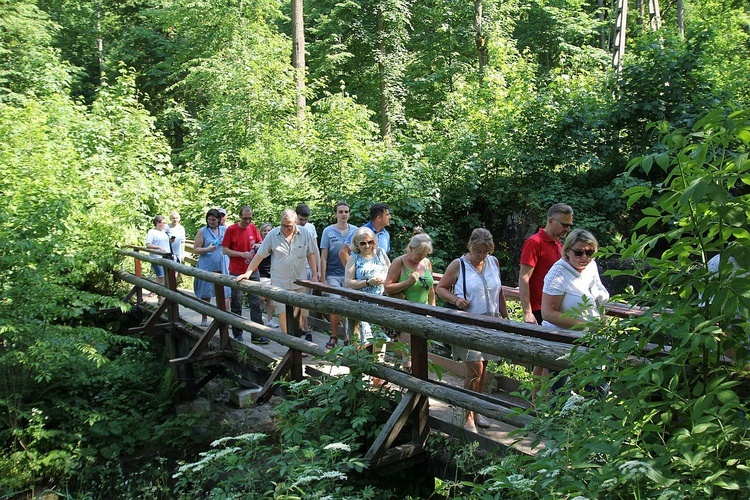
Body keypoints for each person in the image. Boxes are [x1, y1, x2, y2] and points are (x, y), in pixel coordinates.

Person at [436, 228, 509, 432]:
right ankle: (467, 414)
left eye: (485, 251)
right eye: (478, 251)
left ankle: (477, 410)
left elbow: (499, 291)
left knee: (484, 370)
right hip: (467, 325)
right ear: (470, 246)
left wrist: (506, 319)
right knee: (475, 368)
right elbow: (440, 288)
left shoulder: (493, 263)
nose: (482, 256)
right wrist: (456, 299)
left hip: (491, 325)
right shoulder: (458, 264)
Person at [518, 203, 574, 397]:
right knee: (543, 357)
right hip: (539, 308)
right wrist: (527, 311)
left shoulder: (560, 245)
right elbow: (524, 277)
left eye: (569, 226)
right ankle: (537, 402)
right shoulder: (535, 242)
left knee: (549, 359)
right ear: (551, 221)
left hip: (554, 307)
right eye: (564, 224)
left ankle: (542, 401)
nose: (567, 229)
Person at [238, 209, 319, 337]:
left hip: (299, 282)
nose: (286, 228)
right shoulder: (273, 235)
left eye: (289, 226)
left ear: (296, 223)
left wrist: (315, 275)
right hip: (280, 283)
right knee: (283, 313)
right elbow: (259, 255)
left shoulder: (305, 234)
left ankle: (297, 346)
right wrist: (247, 273)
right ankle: (290, 345)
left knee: (297, 315)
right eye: (283, 225)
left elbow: (311, 254)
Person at [384, 233, 436, 369]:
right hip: (404, 314)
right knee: (409, 353)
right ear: (410, 248)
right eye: (419, 253)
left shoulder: (426, 263)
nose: (421, 257)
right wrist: (408, 282)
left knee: (421, 351)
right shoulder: (399, 262)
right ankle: (409, 383)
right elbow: (388, 288)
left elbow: (430, 289)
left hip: (424, 314)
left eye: (425, 254)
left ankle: (417, 385)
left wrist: (433, 309)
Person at [541, 228, 609, 329]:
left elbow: (597, 299)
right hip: (561, 336)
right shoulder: (558, 273)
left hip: (592, 335)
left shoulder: (591, 265)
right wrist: (586, 326)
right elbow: (547, 313)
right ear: (567, 251)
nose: (585, 257)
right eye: (578, 253)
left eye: (590, 252)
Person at [222, 206, 267, 343]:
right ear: (239, 217)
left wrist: (259, 245)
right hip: (236, 270)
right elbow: (224, 250)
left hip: (253, 270)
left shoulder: (253, 227)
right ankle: (237, 333)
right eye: (245, 218)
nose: (248, 221)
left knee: (256, 302)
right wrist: (241, 254)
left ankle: (257, 334)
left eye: (250, 218)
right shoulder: (231, 230)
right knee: (237, 302)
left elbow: (260, 242)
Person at [344, 227, 391, 344]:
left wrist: (385, 280)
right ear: (356, 244)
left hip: (382, 301)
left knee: (381, 337)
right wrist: (368, 282)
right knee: (365, 339)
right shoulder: (354, 257)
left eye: (370, 242)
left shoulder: (380, 253)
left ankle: (379, 361)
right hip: (362, 303)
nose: (367, 246)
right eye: (363, 243)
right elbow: (348, 282)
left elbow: (391, 273)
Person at [320, 202, 358, 346]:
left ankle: (348, 336)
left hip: (350, 275)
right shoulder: (328, 231)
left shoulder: (355, 230)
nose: (343, 214)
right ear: (335, 214)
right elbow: (323, 256)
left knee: (348, 305)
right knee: (334, 303)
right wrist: (322, 278)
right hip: (333, 274)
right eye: (340, 212)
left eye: (346, 212)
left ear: (349, 214)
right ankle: (334, 335)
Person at [192, 209, 232, 327]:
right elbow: (196, 249)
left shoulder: (225, 230)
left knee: (226, 291)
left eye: (213, 220)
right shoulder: (202, 232)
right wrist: (208, 249)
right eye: (209, 220)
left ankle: (227, 318)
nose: (211, 222)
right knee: (206, 291)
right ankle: (205, 317)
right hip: (207, 264)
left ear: (219, 220)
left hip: (223, 263)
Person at [296, 203, 320, 334]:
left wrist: (318, 271)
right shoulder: (291, 228)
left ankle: (305, 325)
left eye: (306, 220)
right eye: (301, 219)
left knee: (307, 300)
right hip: (298, 269)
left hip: (310, 268)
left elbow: (315, 250)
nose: (304, 222)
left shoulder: (311, 228)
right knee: (300, 298)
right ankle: (304, 328)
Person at [258, 222, 278, 328]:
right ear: (261, 232)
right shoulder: (258, 244)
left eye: (269, 230)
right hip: (261, 274)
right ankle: (259, 316)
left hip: (272, 274)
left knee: (271, 299)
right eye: (264, 230)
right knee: (261, 298)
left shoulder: (275, 243)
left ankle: (270, 319)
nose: (266, 232)